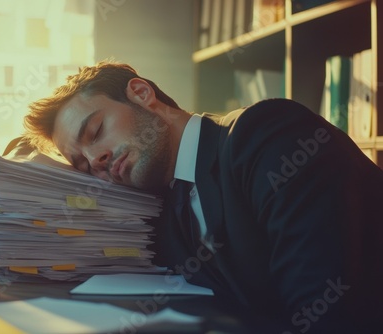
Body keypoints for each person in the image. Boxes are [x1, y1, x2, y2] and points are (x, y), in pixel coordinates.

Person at [23, 60, 383, 333]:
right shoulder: (163, 215)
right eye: (82, 165)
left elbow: (329, 316)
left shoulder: (266, 135)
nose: (95, 160)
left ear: (141, 94)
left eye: (96, 131)